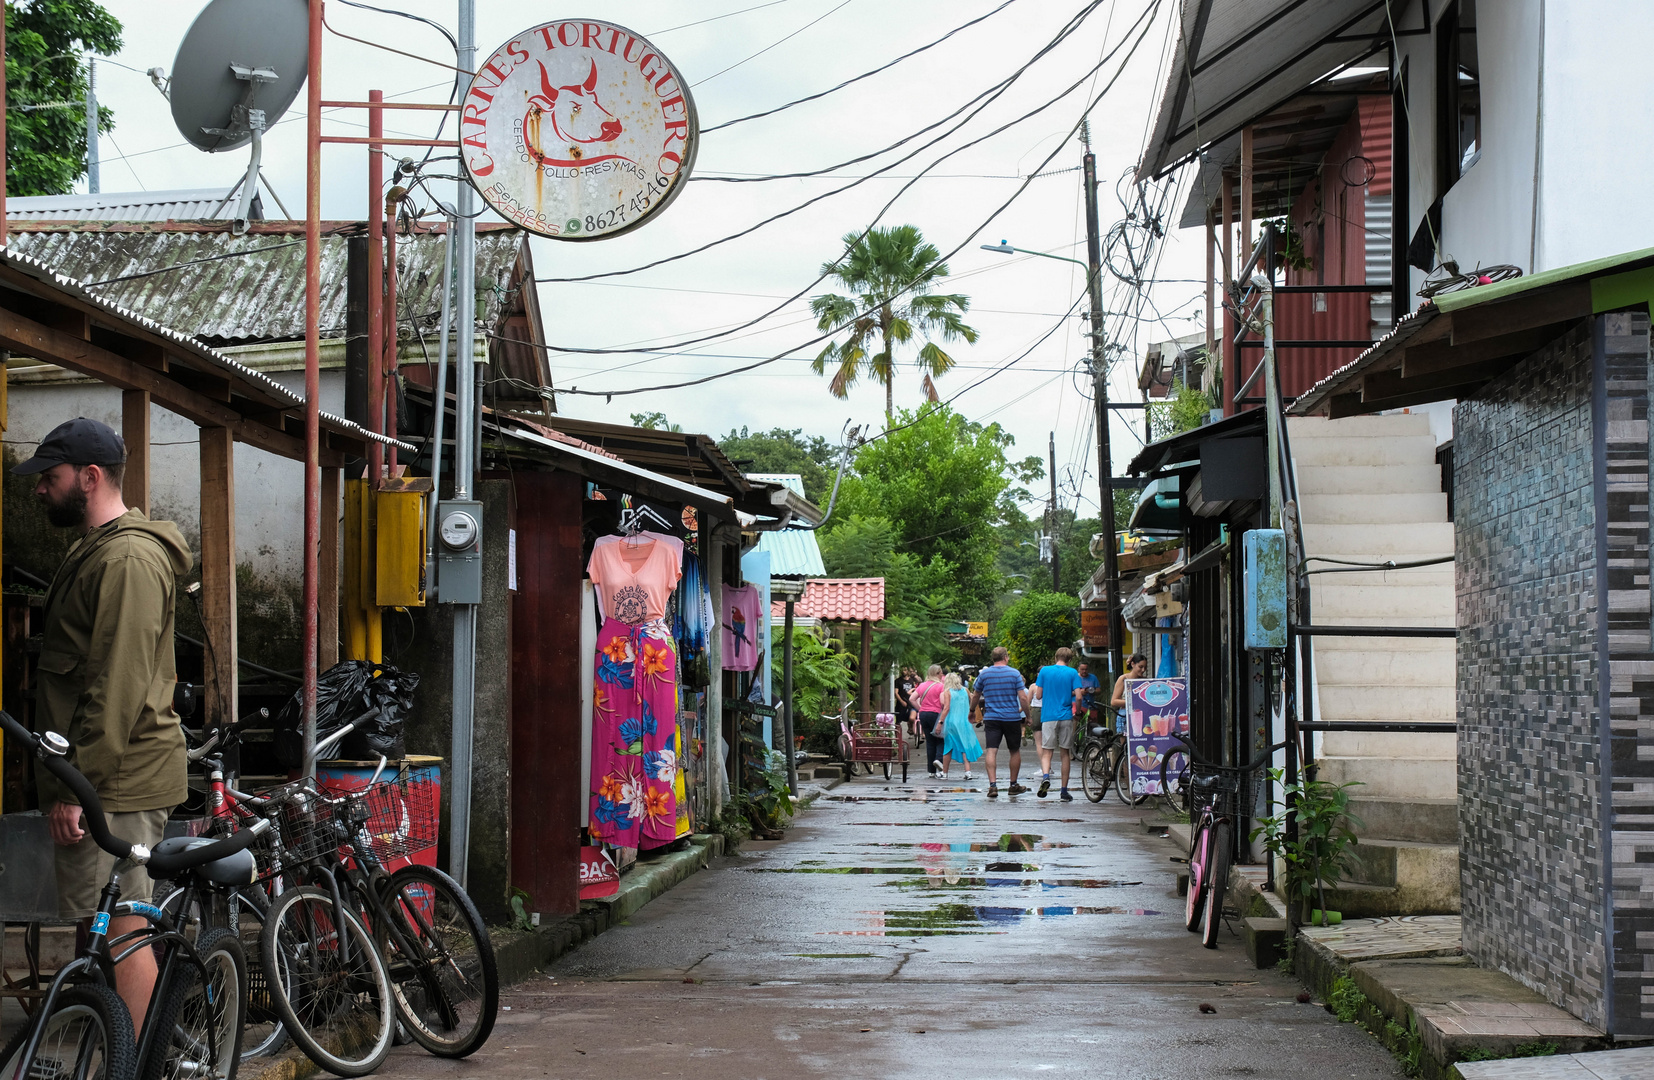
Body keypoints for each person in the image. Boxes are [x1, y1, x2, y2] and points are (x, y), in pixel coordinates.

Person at [16, 417, 192, 1032]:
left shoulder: (127, 560)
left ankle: (132, 1062)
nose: (39, 488)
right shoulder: (95, 549)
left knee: (121, 931)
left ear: (89, 478)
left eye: (51, 477)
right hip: (106, 776)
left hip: (114, 782)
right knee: (115, 925)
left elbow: (116, 688)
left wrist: (76, 788)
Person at [971, 647, 1030, 798]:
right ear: (1005, 657)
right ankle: (1013, 785)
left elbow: (976, 694)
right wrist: (1028, 715)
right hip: (1011, 718)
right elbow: (1023, 698)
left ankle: (992, 786)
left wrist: (972, 711)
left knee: (991, 750)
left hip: (992, 718)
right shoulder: (1014, 673)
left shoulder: (984, 675)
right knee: (1014, 750)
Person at [1030, 647, 1085, 800]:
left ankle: (1046, 776)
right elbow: (1079, 697)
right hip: (1066, 716)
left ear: (1056, 657)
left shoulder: (1045, 671)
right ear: (1070, 659)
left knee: (1047, 751)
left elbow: (1038, 695)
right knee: (1065, 753)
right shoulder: (1073, 673)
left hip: (1048, 716)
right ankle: (1064, 790)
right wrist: (1078, 712)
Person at [937, 672, 983, 780]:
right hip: (965, 722)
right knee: (964, 746)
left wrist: (940, 723)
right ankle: (968, 772)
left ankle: (945, 772)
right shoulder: (965, 690)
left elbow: (946, 708)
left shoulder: (947, 692)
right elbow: (972, 702)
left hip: (951, 723)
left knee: (948, 747)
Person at [913, 665, 947, 777]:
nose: (942, 675)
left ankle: (931, 771)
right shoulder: (940, 686)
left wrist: (920, 709)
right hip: (936, 715)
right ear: (937, 673)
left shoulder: (922, 685)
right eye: (941, 673)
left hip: (923, 715)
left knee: (930, 741)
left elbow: (911, 698)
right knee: (941, 739)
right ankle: (938, 759)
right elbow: (942, 702)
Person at [1111, 653, 1151, 730]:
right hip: (1125, 715)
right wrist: (1133, 701)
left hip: (1142, 716)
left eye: (1145, 667)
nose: (1143, 670)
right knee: (1125, 741)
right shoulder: (1123, 679)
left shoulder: (1145, 680)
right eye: (1140, 667)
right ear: (1133, 664)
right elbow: (1113, 701)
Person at [1077, 662, 1102, 728]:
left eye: (1086, 669)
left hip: (1091, 706)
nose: (1084, 671)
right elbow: (1069, 691)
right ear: (1079, 669)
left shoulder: (1093, 678)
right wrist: (1080, 692)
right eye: (1082, 669)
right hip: (1078, 706)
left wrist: (1091, 691)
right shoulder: (1075, 677)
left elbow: (1099, 690)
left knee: (1093, 726)